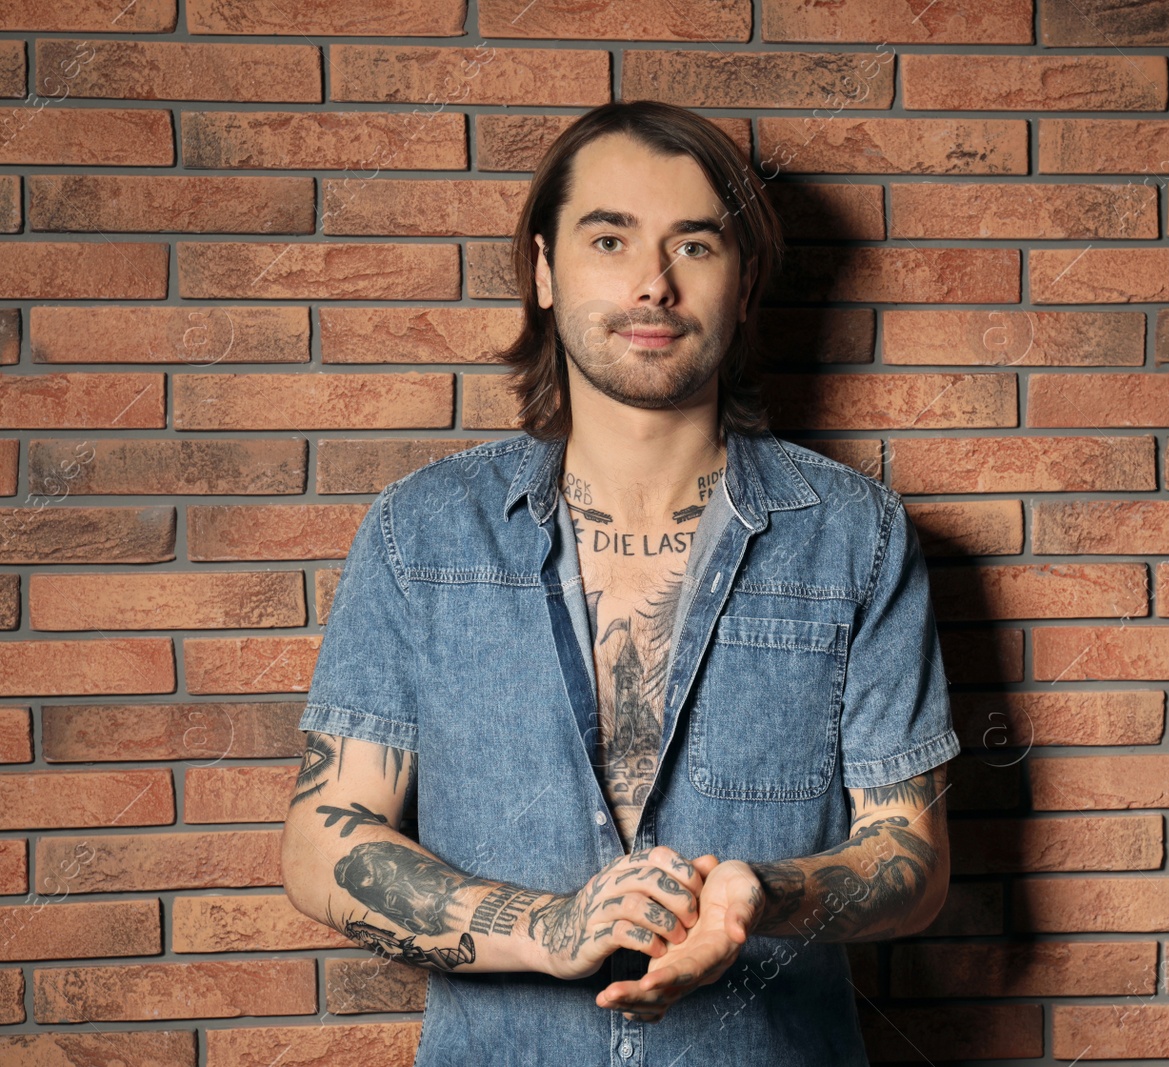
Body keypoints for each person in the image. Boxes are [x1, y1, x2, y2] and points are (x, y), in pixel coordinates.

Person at [280, 99, 959, 1067]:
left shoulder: (856, 535)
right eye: (609, 239)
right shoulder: (420, 532)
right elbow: (323, 838)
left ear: (744, 281)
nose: (652, 284)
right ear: (547, 271)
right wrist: (545, 926)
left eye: (695, 245)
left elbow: (914, 859)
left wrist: (765, 893)